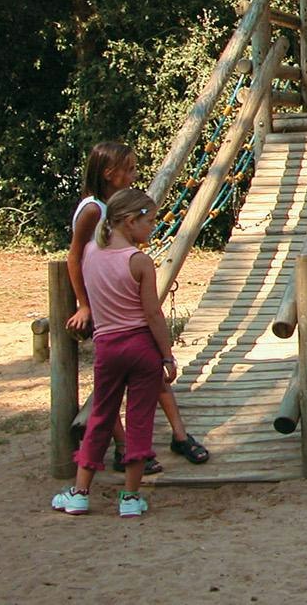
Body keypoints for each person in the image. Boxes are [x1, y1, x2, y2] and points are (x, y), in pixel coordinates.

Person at [66, 142, 209, 469]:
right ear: (109, 173)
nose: (134, 174)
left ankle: (179, 435)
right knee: (113, 385)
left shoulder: (111, 207)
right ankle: (124, 447)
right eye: (128, 169)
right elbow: (75, 256)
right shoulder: (93, 210)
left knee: (148, 369)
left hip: (121, 299)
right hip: (107, 307)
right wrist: (84, 306)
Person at [52, 189, 178, 518]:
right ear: (130, 220)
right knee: (139, 421)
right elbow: (152, 313)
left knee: (101, 418)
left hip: (107, 346)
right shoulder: (138, 261)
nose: (152, 227)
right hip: (140, 347)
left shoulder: (91, 253)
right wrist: (166, 355)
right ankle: (130, 497)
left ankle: (80, 493)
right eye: (148, 221)